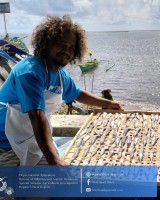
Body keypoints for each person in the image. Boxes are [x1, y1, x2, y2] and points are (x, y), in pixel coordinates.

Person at [0, 14, 122, 166]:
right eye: (61, 44)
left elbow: (77, 94)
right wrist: (54, 159)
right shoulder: (30, 72)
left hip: (33, 137)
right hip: (6, 143)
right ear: (47, 43)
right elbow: (36, 116)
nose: (67, 50)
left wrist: (107, 104)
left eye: (71, 47)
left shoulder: (59, 74)